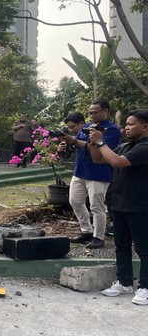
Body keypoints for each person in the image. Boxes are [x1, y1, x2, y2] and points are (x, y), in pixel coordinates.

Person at [89, 109, 148, 305]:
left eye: (131, 124)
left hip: (140, 205)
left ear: (145, 127)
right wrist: (92, 141)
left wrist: (101, 142)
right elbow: (98, 158)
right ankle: (124, 283)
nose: (126, 127)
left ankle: (145, 286)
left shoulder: (145, 147)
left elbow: (116, 161)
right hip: (120, 203)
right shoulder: (126, 146)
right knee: (121, 247)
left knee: (144, 248)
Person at [59, 100, 121, 249]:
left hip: (99, 173)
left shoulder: (111, 129)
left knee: (96, 205)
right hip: (80, 171)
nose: (92, 115)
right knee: (75, 200)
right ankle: (86, 230)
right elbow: (80, 143)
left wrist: (74, 141)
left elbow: (100, 148)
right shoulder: (87, 126)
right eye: (90, 113)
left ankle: (98, 237)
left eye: (95, 112)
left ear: (105, 111)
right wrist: (69, 142)